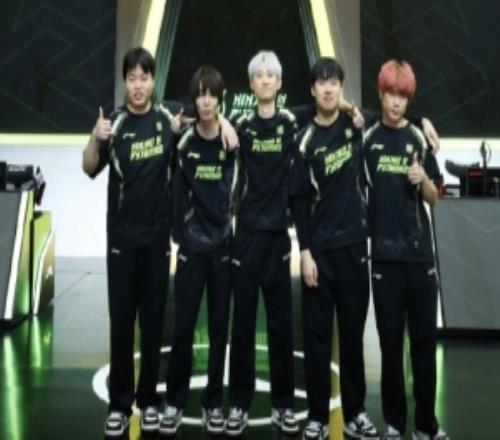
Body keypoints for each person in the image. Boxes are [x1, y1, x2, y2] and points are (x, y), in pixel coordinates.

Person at [82, 47, 177, 437]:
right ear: (125, 81)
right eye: (132, 78)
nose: (138, 85)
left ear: (153, 80)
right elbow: (89, 167)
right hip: (121, 241)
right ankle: (120, 406)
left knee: (153, 325)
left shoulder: (167, 120)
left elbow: (207, 108)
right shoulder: (114, 123)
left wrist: (221, 123)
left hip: (156, 241)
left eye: (144, 78)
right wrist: (94, 137)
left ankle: (148, 401)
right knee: (122, 324)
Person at [291, 57, 378, 440]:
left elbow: (391, 115)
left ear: (341, 89)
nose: (328, 89)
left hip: (354, 246)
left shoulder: (355, 125)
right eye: (321, 83)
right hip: (320, 253)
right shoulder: (303, 139)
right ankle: (317, 417)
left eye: (334, 83)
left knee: (353, 336)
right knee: (317, 339)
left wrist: (355, 111)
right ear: (312, 90)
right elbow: (298, 201)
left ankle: (356, 413)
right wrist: (305, 251)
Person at [363, 59, 449, 440]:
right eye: (391, 94)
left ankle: (426, 426)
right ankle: (395, 425)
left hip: (420, 259)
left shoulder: (419, 137)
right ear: (381, 94)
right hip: (384, 259)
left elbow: (435, 197)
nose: (396, 102)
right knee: (390, 348)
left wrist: (423, 179)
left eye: (403, 96)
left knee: (424, 348)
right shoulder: (367, 139)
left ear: (409, 99)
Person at [225, 50, 303, 436]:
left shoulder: (291, 123)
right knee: (242, 323)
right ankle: (238, 404)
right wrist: (224, 121)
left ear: (280, 82)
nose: (266, 79)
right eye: (260, 74)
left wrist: (419, 119)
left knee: (280, 325)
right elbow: (195, 111)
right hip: (246, 235)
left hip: (278, 238)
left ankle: (283, 405)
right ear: (252, 83)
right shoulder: (238, 124)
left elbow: (333, 106)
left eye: (272, 74)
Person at [158, 65, 238, 436]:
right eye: (200, 95)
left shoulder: (231, 140)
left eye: (212, 95)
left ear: (220, 99)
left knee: (220, 329)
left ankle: (212, 404)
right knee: (184, 327)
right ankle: (174, 402)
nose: (206, 102)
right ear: (194, 100)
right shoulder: (183, 141)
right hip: (191, 246)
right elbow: (157, 110)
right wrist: (180, 234)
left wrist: (227, 124)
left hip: (222, 246)